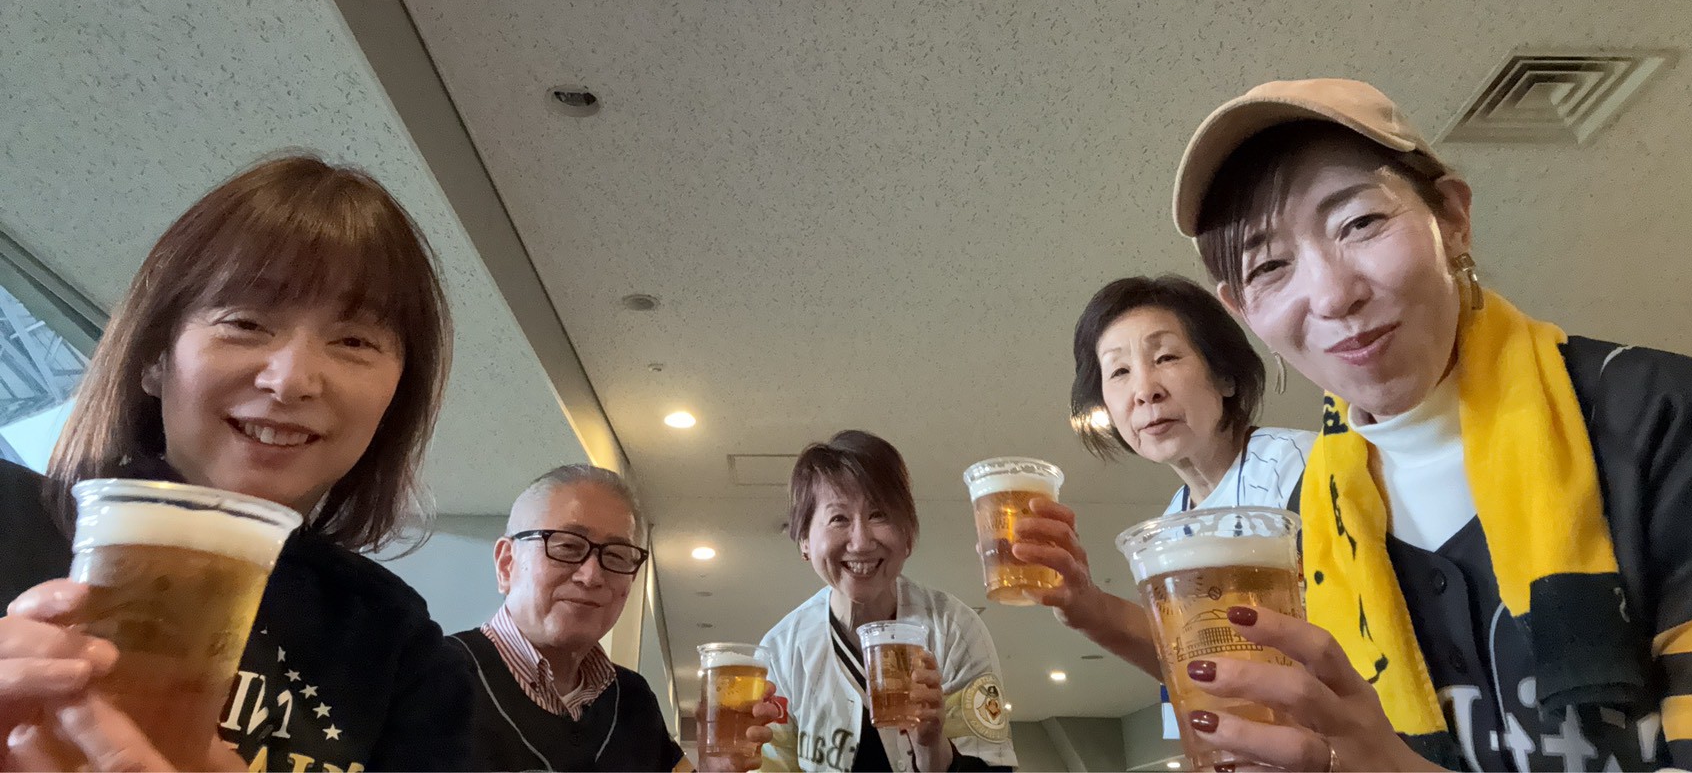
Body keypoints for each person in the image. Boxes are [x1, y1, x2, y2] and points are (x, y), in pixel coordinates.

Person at [1157, 77, 1692, 771]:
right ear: (1242, 312)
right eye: (1269, 266)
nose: (1332, 294)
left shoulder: (1659, 415)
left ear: (1452, 218)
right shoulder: (1308, 528)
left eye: (1360, 223)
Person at [0, 155, 474, 771]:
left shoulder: (400, 651)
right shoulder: (10, 517)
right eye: (245, 323)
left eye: (354, 341)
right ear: (154, 359)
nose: (292, 380)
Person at [1011, 274, 1313, 675]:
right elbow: (1187, 660)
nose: (1144, 390)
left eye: (1166, 358)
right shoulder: (1171, 527)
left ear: (1224, 376)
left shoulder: (1302, 468)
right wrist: (1083, 604)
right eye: (1119, 371)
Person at [454, 464, 774, 772]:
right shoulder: (435, 677)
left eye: (617, 556)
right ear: (506, 563)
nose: (591, 575)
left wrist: (717, 769)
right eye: (567, 546)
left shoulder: (633, 699)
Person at [759, 430, 1016, 773]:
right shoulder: (781, 651)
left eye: (879, 514)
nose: (861, 542)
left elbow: (994, 765)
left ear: (908, 536)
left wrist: (933, 748)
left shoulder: (953, 629)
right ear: (804, 540)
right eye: (838, 518)